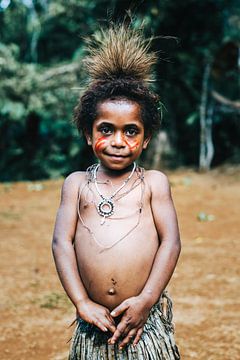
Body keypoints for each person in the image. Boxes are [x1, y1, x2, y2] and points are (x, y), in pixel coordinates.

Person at [52, 23, 181, 360]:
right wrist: (81, 303)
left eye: (131, 132)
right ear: (87, 132)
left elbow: (171, 242)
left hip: (142, 322)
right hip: (93, 324)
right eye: (105, 130)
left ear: (146, 139)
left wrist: (147, 300)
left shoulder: (154, 183)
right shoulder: (77, 184)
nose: (118, 142)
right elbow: (61, 243)